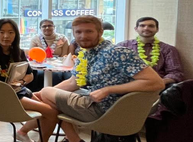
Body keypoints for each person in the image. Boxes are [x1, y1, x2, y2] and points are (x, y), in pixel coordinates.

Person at [18, 15, 165, 142]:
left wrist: (108, 89)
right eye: (78, 32)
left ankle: (29, 133)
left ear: (100, 32)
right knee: (46, 95)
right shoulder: (87, 53)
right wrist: (41, 95)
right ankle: (73, 139)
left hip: (109, 110)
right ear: (73, 34)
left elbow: (156, 83)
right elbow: (73, 82)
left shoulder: (118, 52)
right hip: (96, 102)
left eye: (89, 31)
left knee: (46, 93)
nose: (83, 36)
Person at [0, 19, 60, 142]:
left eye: (10, 32)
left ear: (16, 35)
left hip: (19, 90)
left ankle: (22, 132)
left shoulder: (18, 52)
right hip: (0, 96)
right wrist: (3, 85)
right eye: (1, 32)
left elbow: (30, 75)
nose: (6, 36)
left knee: (51, 111)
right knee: (50, 112)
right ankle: (26, 134)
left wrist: (21, 82)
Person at [117, 16, 185, 86]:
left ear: (157, 29)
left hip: (156, 87)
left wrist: (161, 82)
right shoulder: (123, 46)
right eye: (142, 25)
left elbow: (176, 73)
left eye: (151, 26)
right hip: (127, 85)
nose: (146, 28)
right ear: (136, 29)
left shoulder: (168, 49)